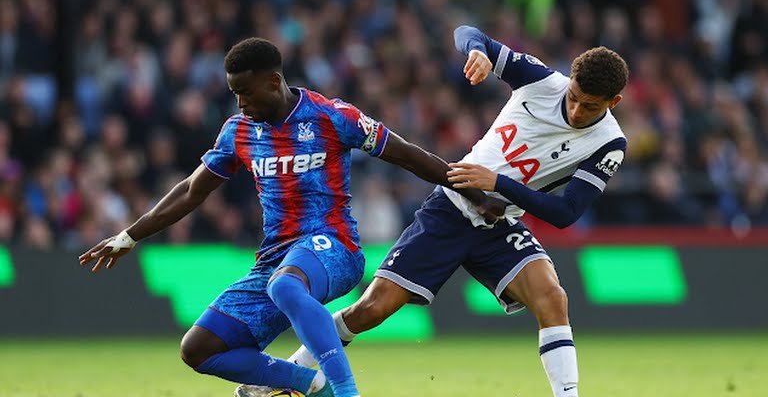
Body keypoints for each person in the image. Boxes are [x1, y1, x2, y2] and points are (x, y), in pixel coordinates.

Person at [78, 37, 504, 397]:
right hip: (276, 261)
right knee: (199, 349)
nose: (240, 103)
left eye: (245, 93)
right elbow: (191, 191)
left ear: (274, 81)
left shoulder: (333, 116)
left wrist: (472, 193)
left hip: (335, 246)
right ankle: (310, 383)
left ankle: (346, 392)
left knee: (286, 283)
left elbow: (410, 156)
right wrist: (129, 236)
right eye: (234, 94)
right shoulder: (238, 132)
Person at [288, 25, 629, 397]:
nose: (577, 110)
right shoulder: (542, 81)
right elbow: (467, 31)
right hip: (450, 207)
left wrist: (497, 183)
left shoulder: (609, 143)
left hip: (500, 222)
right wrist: (477, 52)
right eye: (574, 97)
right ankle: (290, 372)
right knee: (372, 308)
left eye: (590, 106)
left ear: (614, 102)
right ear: (570, 81)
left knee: (553, 297)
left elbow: (566, 212)